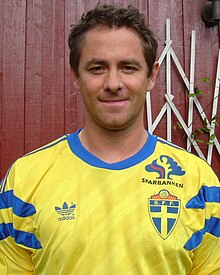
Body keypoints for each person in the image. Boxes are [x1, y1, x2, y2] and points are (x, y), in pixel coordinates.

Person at [0, 3, 219, 274]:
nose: (113, 83)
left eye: (128, 67)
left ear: (151, 76)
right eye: (97, 68)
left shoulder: (199, 183)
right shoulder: (24, 180)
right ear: (75, 75)